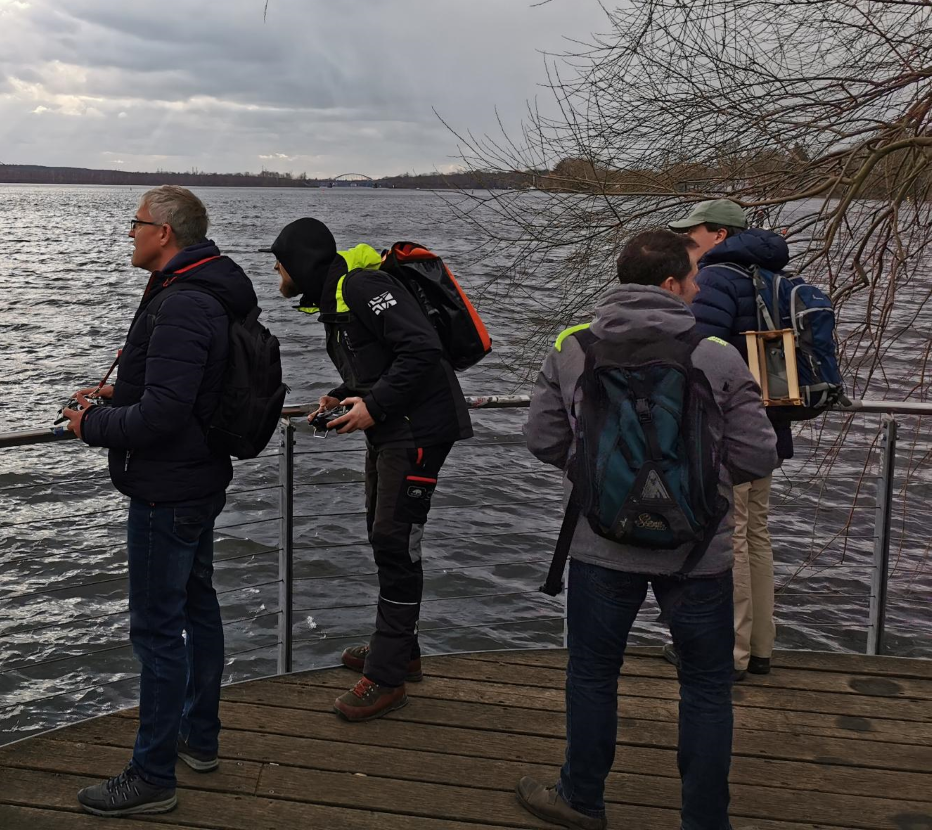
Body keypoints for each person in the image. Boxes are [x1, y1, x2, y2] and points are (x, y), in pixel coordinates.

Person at [516, 229, 778, 830]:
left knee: (591, 674)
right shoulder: (717, 353)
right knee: (707, 687)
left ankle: (581, 800)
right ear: (669, 285)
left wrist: (601, 482)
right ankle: (705, 820)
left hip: (599, 545)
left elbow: (543, 439)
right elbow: (757, 456)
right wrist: (697, 491)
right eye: (692, 277)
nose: (697, 287)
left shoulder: (571, 347)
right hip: (698, 554)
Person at [61, 185, 259, 817]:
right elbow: (182, 387)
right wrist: (123, 391)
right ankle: (198, 739)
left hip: (168, 489)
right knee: (198, 609)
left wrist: (90, 425)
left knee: (156, 631)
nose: (129, 233)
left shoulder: (182, 304)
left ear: (165, 233)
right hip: (199, 480)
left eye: (136, 222)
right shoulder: (207, 290)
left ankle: (152, 775)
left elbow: (166, 416)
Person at [267, 217, 472, 721]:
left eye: (279, 263)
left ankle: (386, 678)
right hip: (392, 427)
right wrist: (342, 396)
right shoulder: (337, 298)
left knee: (395, 540)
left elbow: (421, 349)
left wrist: (374, 405)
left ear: (301, 262)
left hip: (420, 430)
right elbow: (379, 363)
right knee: (385, 535)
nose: (275, 273)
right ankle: (400, 649)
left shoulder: (362, 286)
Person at [668, 198, 789, 678]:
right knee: (756, 536)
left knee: (732, 539)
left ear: (719, 234)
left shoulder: (717, 278)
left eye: (691, 233)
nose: (685, 242)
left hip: (728, 434)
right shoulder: (770, 275)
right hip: (769, 428)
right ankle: (759, 645)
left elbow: (700, 354)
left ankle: (729, 654)